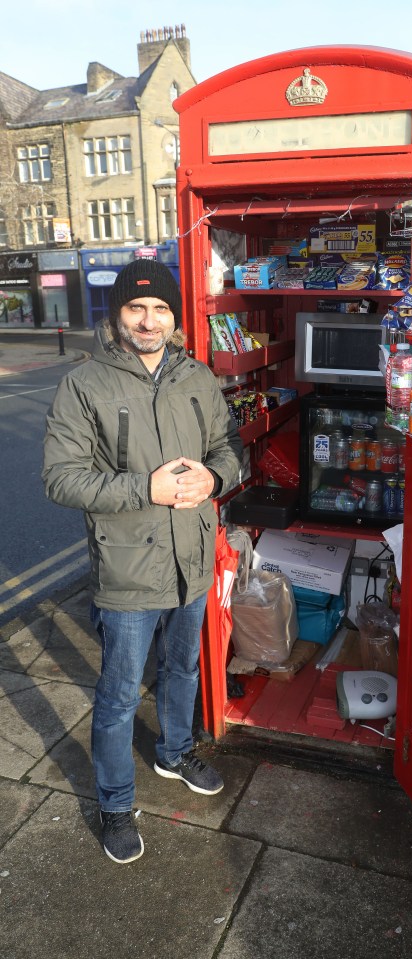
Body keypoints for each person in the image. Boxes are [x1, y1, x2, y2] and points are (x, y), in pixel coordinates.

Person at [42, 259, 243, 864]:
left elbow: (229, 449)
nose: (148, 321)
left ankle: (175, 751)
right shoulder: (86, 384)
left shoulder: (197, 377)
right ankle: (114, 802)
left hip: (193, 555)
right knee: (120, 694)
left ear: (175, 319)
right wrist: (143, 490)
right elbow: (60, 478)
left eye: (160, 310)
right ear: (118, 315)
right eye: (136, 308)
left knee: (183, 669)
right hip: (128, 565)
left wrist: (215, 476)